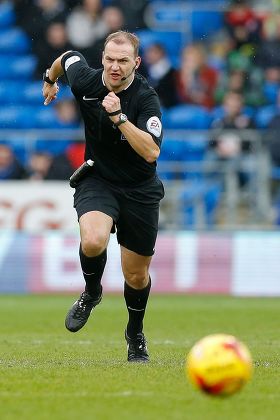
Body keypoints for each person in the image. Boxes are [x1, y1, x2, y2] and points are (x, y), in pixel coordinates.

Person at [42, 30, 164, 363]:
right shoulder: (87, 80)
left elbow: (151, 151)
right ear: (102, 58)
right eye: (109, 59)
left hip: (139, 189)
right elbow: (66, 59)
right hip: (97, 179)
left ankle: (134, 333)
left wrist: (119, 117)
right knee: (93, 240)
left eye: (122, 61)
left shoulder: (146, 99)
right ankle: (92, 292)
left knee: (136, 275)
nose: (114, 66)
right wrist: (49, 79)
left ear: (136, 63)